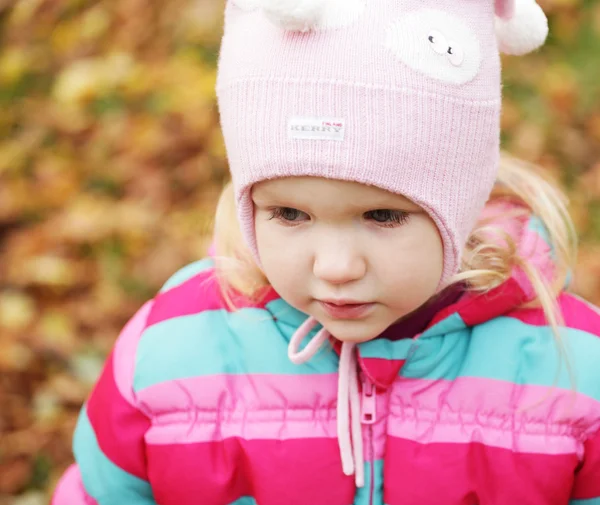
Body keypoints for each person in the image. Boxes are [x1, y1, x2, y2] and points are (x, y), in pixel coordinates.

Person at [52, 0, 600, 503]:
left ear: (460, 203)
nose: (336, 267)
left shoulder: (572, 371)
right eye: (290, 214)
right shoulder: (168, 355)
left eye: (382, 216)